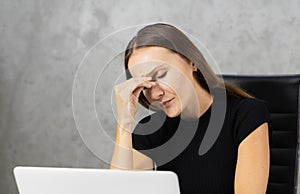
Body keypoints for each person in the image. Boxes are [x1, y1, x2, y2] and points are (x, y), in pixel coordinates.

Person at [109, 23, 272, 194]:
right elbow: (119, 190)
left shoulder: (246, 114)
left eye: (161, 75)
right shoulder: (150, 130)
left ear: (192, 61)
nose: (155, 93)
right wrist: (124, 123)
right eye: (145, 85)